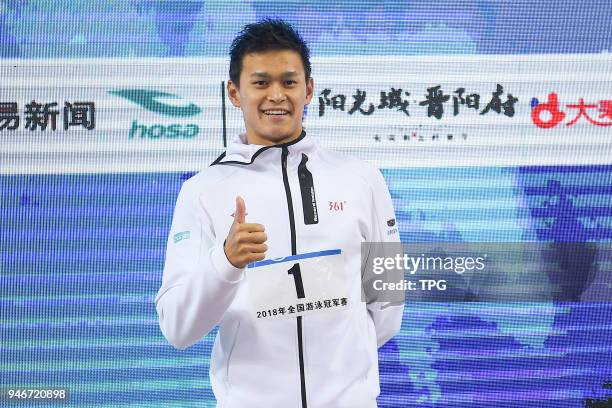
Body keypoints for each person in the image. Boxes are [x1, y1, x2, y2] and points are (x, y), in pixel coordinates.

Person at [155, 19, 403, 408]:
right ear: (234, 94)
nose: (276, 95)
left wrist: (344, 373)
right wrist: (225, 262)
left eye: (288, 82)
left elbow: (388, 303)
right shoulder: (202, 192)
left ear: (309, 89)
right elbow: (177, 327)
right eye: (261, 82)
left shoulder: (362, 178)